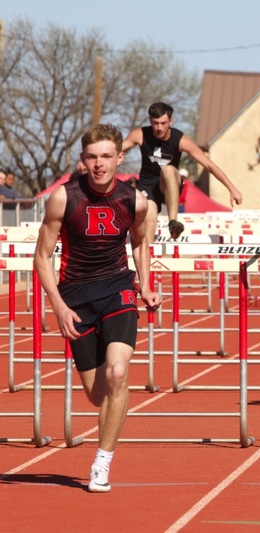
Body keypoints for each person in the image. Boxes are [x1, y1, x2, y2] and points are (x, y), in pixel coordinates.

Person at [33, 124, 162, 492]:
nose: (100, 164)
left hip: (118, 290)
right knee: (96, 395)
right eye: (93, 157)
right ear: (83, 160)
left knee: (118, 373)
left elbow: (140, 244)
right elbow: (41, 258)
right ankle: (110, 412)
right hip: (75, 298)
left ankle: (102, 463)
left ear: (120, 158)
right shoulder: (63, 198)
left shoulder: (133, 200)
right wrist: (57, 306)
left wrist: (146, 285)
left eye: (107, 156)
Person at [122, 102, 242, 240]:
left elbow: (208, 165)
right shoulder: (140, 134)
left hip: (169, 183)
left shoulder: (180, 139)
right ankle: (150, 255)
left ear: (170, 121)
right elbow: (114, 151)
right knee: (149, 223)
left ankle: (173, 222)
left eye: (163, 123)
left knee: (168, 169)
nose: (159, 128)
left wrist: (232, 188)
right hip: (147, 185)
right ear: (150, 121)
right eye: (155, 123)